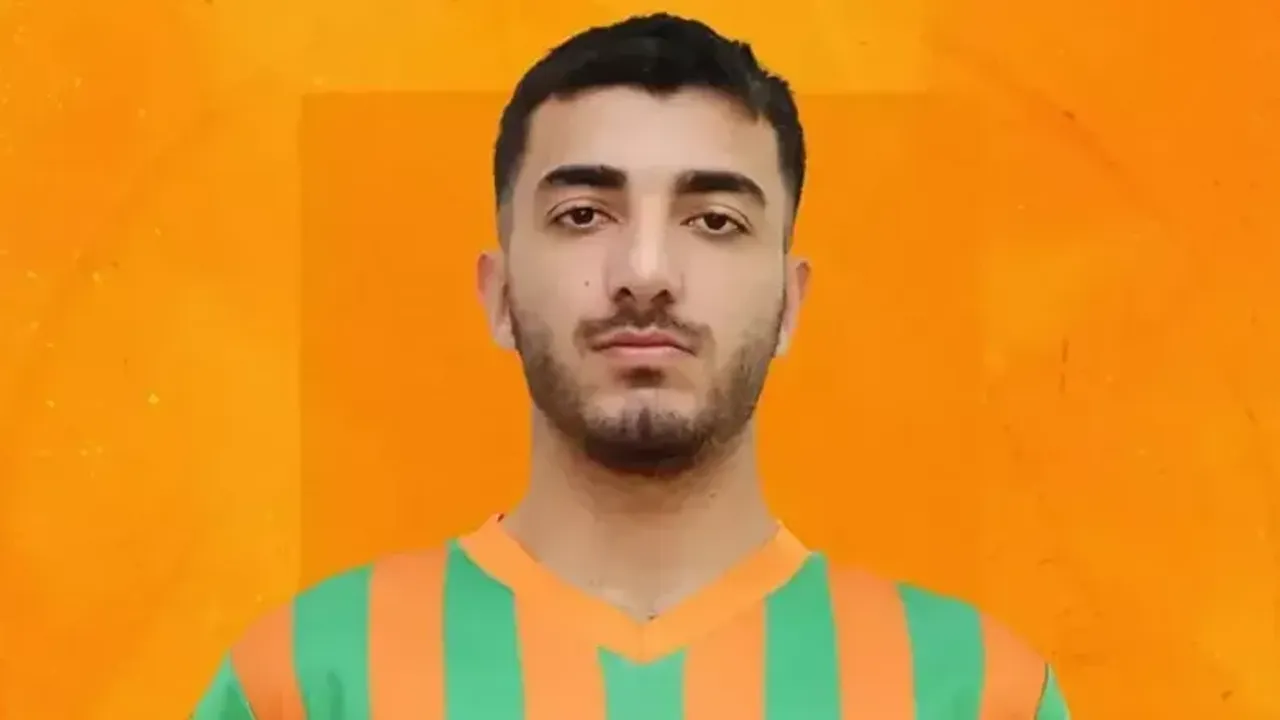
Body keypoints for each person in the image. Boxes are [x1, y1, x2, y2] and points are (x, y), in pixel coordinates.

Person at [193, 13, 1070, 719]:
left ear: (790, 305)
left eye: (715, 220)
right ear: (498, 295)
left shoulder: (977, 693)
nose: (645, 272)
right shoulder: (303, 684)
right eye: (583, 214)